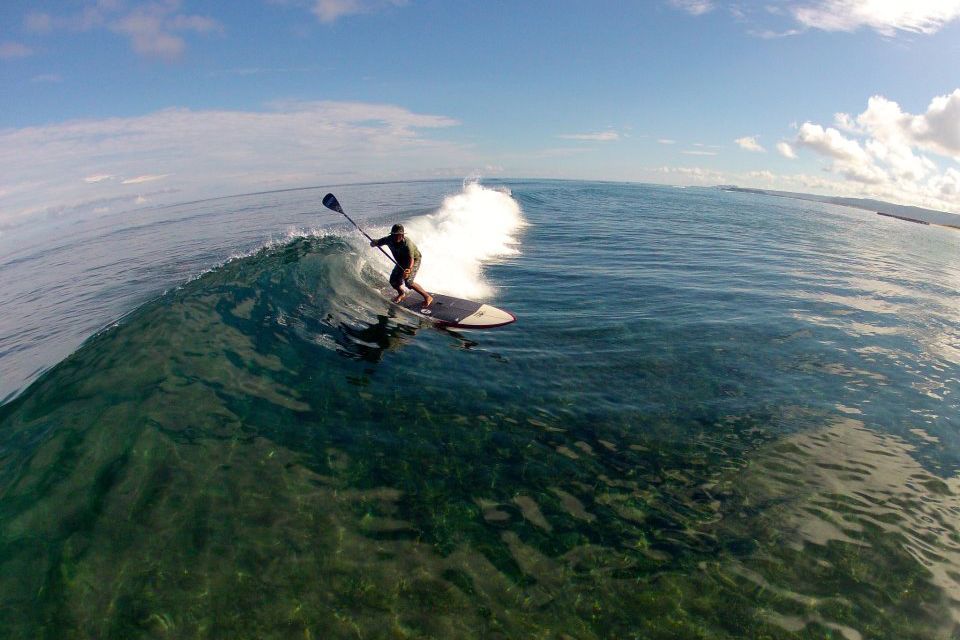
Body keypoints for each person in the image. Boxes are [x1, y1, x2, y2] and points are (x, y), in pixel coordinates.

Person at [371, 224, 434, 306]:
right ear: (392, 234)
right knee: (393, 281)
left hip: (414, 260)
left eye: (399, 235)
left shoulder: (407, 244)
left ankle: (427, 297)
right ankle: (401, 293)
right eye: (395, 235)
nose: (397, 237)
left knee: (408, 282)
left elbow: (411, 259)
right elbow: (377, 242)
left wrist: (408, 269)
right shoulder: (388, 239)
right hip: (401, 261)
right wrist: (373, 243)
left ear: (403, 235)